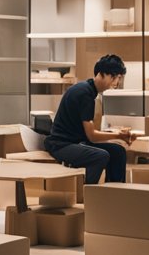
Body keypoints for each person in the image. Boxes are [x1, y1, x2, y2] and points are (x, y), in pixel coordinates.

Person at [44, 54, 134, 185]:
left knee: (118, 151)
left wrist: (117, 137)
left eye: (119, 78)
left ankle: (115, 192)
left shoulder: (88, 89)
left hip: (76, 142)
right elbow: (92, 136)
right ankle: (88, 193)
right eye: (114, 77)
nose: (116, 83)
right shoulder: (85, 94)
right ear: (102, 74)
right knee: (100, 156)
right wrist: (119, 135)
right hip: (61, 145)